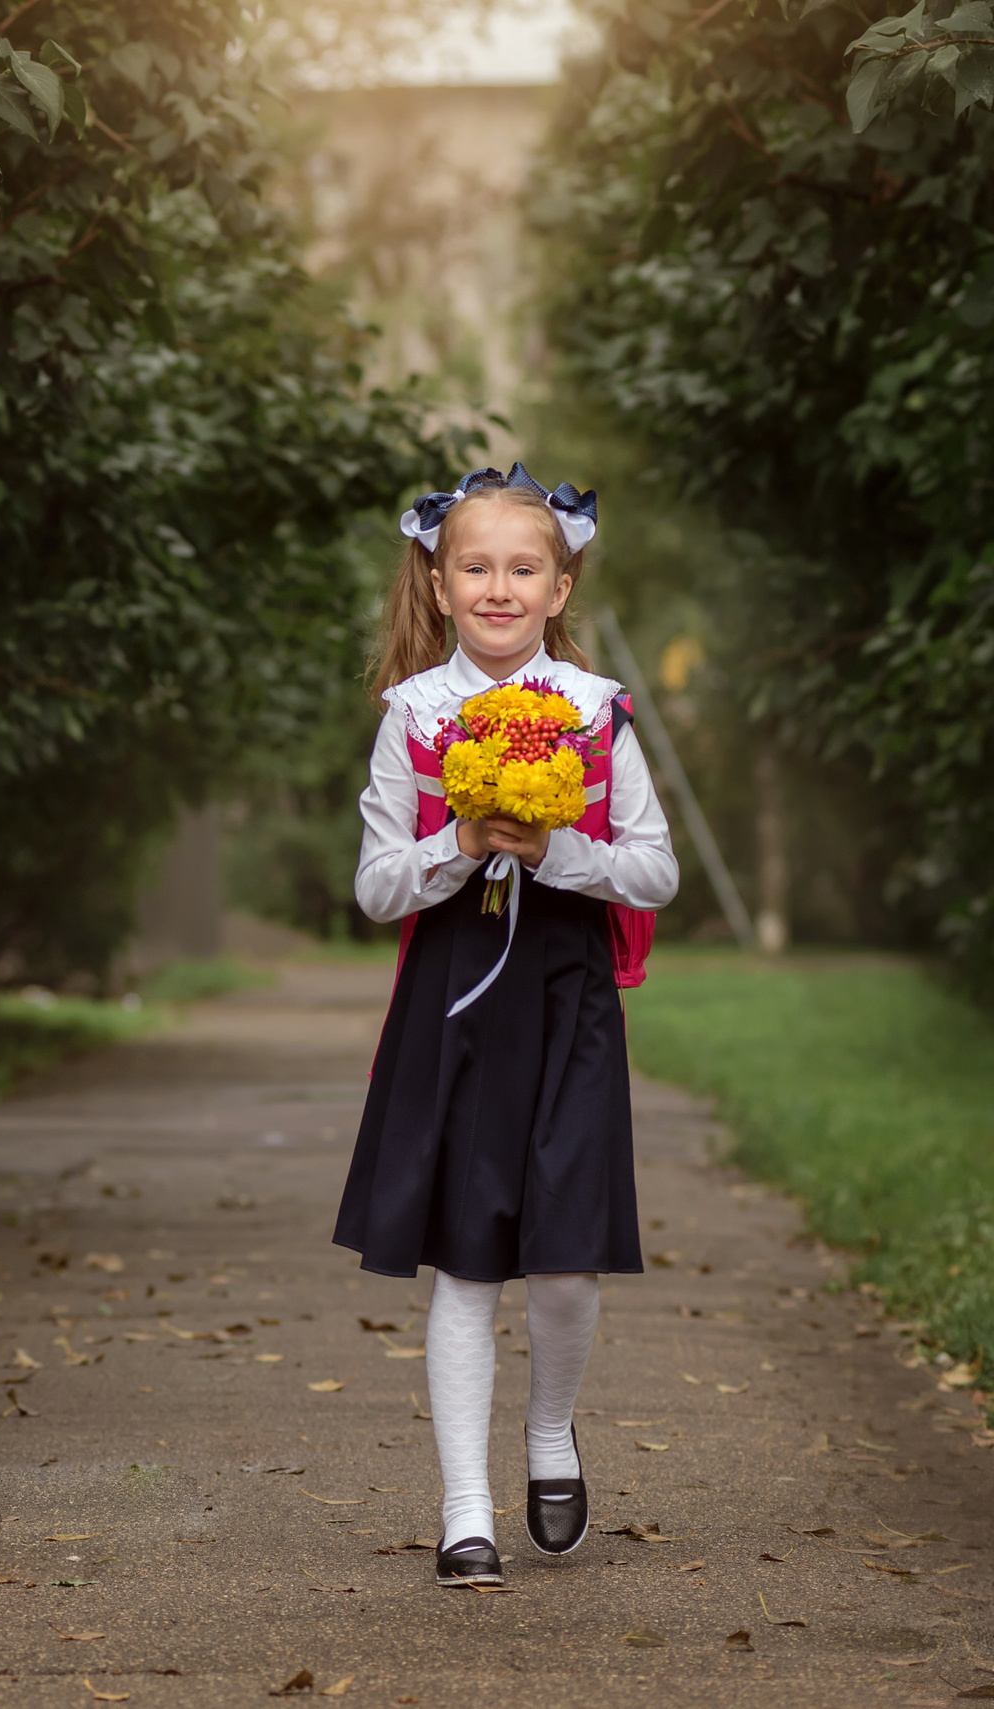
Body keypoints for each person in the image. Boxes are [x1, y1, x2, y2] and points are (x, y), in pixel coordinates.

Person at [333, 464, 679, 1588]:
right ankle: (463, 1509)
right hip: (457, 1005)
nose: (497, 587)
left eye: (520, 568)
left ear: (558, 585)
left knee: (566, 1264)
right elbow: (378, 887)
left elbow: (656, 869)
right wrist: (462, 843)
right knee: (469, 1266)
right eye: (474, 567)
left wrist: (553, 848)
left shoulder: (597, 711)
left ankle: (547, 1435)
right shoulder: (413, 719)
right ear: (439, 585)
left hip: (566, 999)